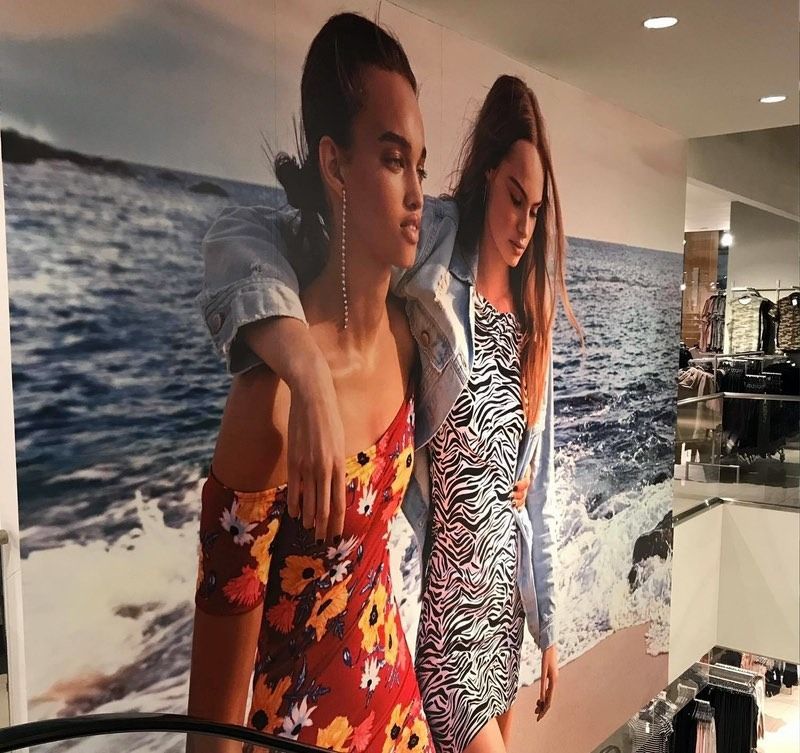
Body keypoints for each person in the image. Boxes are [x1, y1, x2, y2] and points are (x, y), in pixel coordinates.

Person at [198, 74, 582, 753]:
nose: (524, 224)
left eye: (536, 210)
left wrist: (545, 626)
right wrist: (305, 367)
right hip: (440, 637)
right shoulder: (433, 269)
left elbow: (538, 497)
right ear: (487, 180)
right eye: (514, 199)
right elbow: (243, 231)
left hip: (482, 632)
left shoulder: (525, 326)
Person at [187, 14, 434, 753]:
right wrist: (305, 373)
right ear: (334, 165)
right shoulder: (269, 403)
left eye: (421, 164)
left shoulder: (408, 337)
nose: (418, 192)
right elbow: (211, 726)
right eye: (394, 160)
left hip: (397, 712)